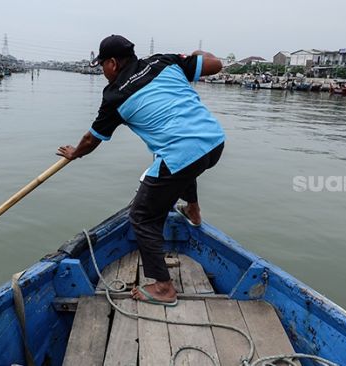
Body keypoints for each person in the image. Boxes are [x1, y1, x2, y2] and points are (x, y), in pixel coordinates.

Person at [56, 35, 225, 305]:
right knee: (178, 165)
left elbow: (92, 139)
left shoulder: (114, 95)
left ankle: (163, 287)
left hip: (182, 153)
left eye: (102, 65)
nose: (102, 72)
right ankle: (193, 210)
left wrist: (74, 153)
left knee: (142, 216)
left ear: (112, 63)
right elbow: (217, 65)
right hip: (215, 142)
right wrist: (198, 53)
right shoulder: (164, 61)